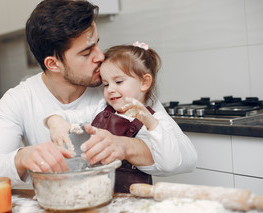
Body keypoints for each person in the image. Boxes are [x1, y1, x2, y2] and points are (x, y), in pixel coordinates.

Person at [0, 0, 197, 191]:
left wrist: (125, 147)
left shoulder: (119, 87)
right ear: (53, 64)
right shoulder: (19, 100)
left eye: (97, 44)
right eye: (87, 52)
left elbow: (185, 158)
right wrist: (22, 158)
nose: (100, 56)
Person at [45, 43, 197, 192]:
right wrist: (55, 121)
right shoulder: (100, 109)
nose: (110, 89)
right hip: (97, 193)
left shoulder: (157, 121)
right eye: (105, 84)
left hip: (132, 200)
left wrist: (151, 123)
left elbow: (169, 164)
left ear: (144, 82)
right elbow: (69, 114)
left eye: (118, 82)